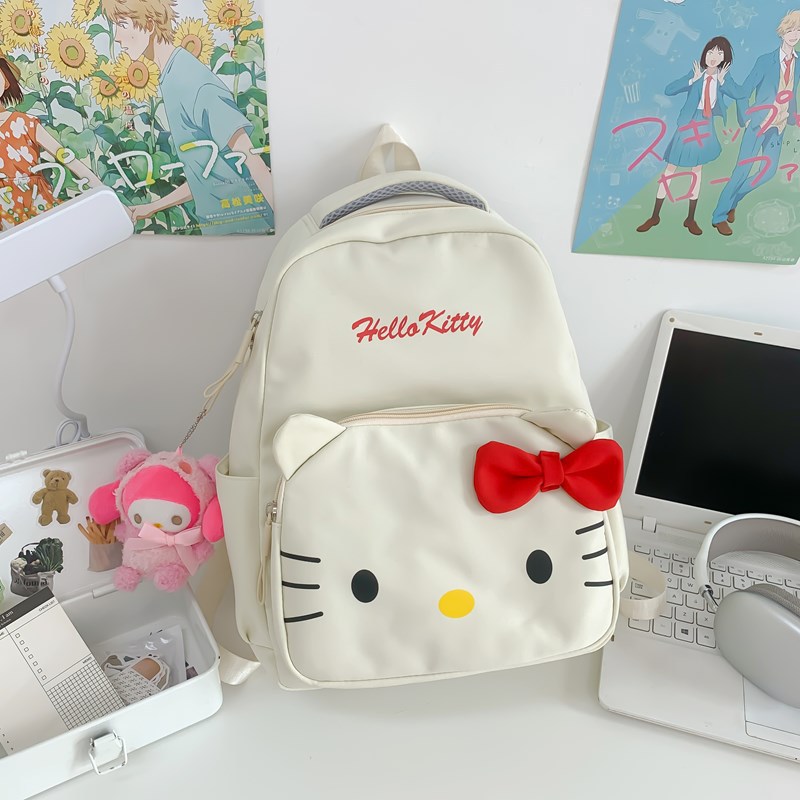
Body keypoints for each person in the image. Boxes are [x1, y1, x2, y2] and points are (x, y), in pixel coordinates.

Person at [101, 0, 275, 235]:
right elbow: (205, 173)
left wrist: (285, 229)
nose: (117, 38)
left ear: (149, 25)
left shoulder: (192, 81)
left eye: (122, 25)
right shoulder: (171, 76)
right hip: (221, 229)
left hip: (246, 227)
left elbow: (250, 159)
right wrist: (151, 208)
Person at [637, 37, 739, 236]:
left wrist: (722, 82)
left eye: (719, 53)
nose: (713, 56)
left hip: (706, 124)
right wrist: (692, 80)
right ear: (704, 53)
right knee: (670, 168)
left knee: (697, 171)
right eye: (710, 52)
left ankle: (690, 218)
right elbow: (669, 90)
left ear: (724, 58)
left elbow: (739, 94)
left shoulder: (724, 78)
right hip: (689, 123)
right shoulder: (696, 73)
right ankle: (655, 215)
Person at [711, 10, 800, 236]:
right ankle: (719, 216)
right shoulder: (765, 61)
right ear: (782, 32)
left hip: (779, 126)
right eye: (790, 30)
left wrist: (794, 115)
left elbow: (791, 90)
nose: (794, 34)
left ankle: (733, 200)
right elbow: (744, 91)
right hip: (758, 124)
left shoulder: (798, 62)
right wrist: (724, 82)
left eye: (798, 30)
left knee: (767, 172)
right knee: (741, 172)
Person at [0, 54, 102, 229]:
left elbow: (65, 156)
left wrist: (102, 190)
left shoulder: (24, 123)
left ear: (6, 81)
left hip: (34, 203)